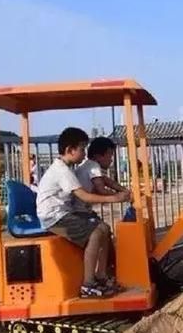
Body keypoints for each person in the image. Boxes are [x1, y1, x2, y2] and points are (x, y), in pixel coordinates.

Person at [36, 127, 131, 298]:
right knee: (96, 232)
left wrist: (120, 192)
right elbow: (84, 196)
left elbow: (102, 181)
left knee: (103, 229)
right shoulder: (62, 171)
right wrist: (116, 198)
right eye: (82, 149)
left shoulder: (69, 168)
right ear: (70, 150)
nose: (84, 153)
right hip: (54, 217)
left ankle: (100, 276)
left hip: (63, 213)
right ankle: (88, 284)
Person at [74, 137, 131, 289]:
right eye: (110, 156)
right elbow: (101, 188)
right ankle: (93, 278)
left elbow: (108, 181)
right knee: (101, 232)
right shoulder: (93, 166)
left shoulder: (90, 166)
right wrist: (119, 197)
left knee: (105, 230)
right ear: (99, 156)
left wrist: (125, 191)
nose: (112, 160)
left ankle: (101, 273)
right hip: (79, 212)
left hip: (82, 210)